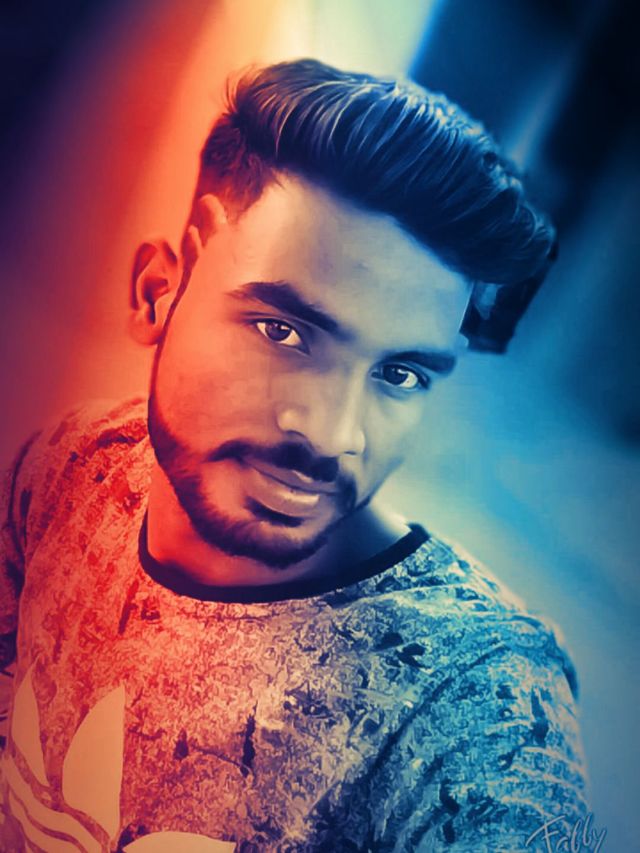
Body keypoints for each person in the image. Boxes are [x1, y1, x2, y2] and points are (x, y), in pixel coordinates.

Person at [0, 59, 589, 852]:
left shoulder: (476, 703)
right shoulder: (69, 470)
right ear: (159, 291)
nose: (332, 432)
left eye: (399, 373)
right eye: (282, 331)